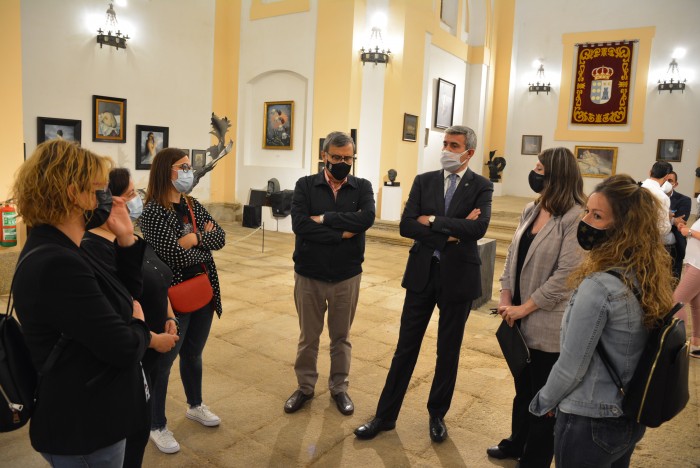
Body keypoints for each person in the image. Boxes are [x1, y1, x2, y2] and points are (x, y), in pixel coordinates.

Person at [10, 140, 151, 467]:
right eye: (100, 189)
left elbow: (124, 294)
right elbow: (123, 346)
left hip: (90, 410)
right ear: (74, 193)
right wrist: (141, 325)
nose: (108, 199)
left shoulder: (65, 247)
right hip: (85, 425)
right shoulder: (58, 263)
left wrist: (127, 240)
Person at [355, 125, 493, 442]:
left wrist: (430, 220)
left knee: (448, 351)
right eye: (444, 143)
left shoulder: (482, 186)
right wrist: (453, 233)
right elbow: (405, 225)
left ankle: (437, 415)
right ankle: (385, 416)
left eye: (453, 145)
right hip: (422, 274)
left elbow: (479, 227)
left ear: (469, 152)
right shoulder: (424, 180)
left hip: (459, 278)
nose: (446, 149)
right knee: (405, 349)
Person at [530, 174, 675, 467]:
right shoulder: (644, 275)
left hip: (589, 419)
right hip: (626, 415)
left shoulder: (599, 286)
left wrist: (541, 402)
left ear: (624, 228)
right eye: (587, 211)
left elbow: (571, 368)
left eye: (597, 216)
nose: (585, 221)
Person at [487, 148, 585, 466]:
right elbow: (512, 257)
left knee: (544, 399)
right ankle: (517, 442)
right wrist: (504, 297)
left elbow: (565, 278)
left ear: (556, 175)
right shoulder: (532, 208)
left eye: (540, 168)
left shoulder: (574, 216)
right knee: (523, 388)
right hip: (517, 318)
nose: (535, 172)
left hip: (547, 323)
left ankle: (535, 459)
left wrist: (524, 308)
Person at [82, 168, 180, 463]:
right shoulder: (92, 250)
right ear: (108, 202)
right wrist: (153, 340)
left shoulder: (127, 238)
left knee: (137, 433)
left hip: (148, 352)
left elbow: (154, 283)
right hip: (133, 353)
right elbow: (115, 317)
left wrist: (170, 315)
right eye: (131, 195)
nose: (138, 200)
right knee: (125, 442)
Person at [139, 148, 226, 452]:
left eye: (189, 166)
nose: (189, 171)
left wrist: (193, 239)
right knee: (164, 362)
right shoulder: (152, 212)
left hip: (202, 289)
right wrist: (200, 241)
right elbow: (170, 256)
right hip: (172, 298)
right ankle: (156, 423)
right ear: (166, 171)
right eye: (183, 167)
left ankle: (195, 404)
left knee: (194, 354)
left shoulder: (191, 204)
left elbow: (221, 237)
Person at [284, 131, 375, 416]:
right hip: (310, 274)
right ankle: (305, 387)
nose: (342, 162)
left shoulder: (362, 187)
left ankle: (339, 388)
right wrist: (342, 234)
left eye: (348, 158)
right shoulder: (305, 185)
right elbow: (300, 225)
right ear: (324, 156)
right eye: (336, 157)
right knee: (308, 337)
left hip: (346, 276)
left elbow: (366, 219)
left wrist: (324, 219)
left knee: (341, 337)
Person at [640, 161, 678, 276]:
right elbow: (662, 228)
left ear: (650, 172)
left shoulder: (636, 187)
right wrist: (668, 218)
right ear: (666, 177)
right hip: (649, 244)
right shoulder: (662, 197)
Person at [672, 208, 700, 359]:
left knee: (677, 301)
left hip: (698, 266)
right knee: (696, 305)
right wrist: (684, 229)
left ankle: (679, 344)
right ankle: (696, 344)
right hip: (694, 262)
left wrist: (689, 232)